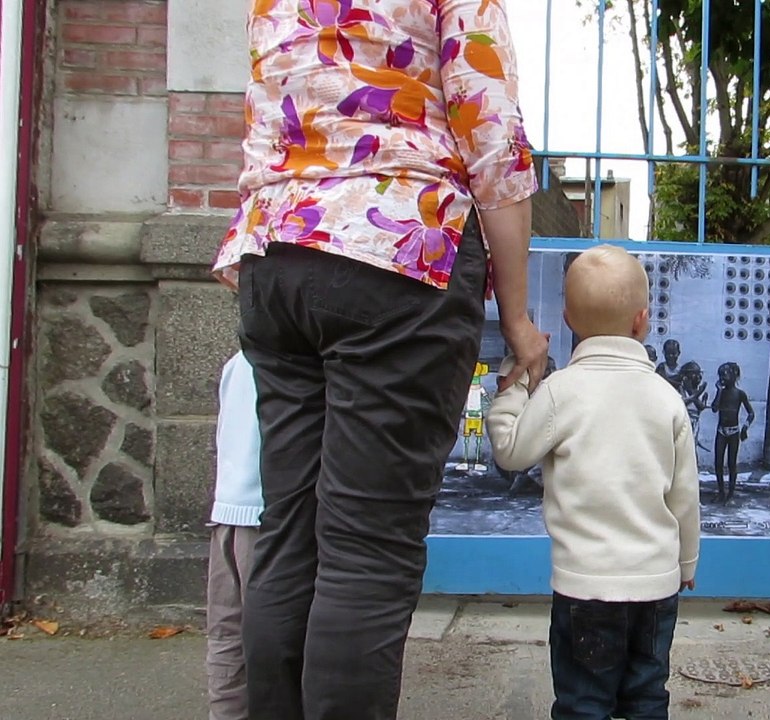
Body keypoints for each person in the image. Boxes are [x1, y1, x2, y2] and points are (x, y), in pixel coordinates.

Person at [210, 2, 548, 718]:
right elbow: (491, 135)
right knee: (366, 550)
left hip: (277, 251)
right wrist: (517, 317)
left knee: (288, 534)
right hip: (397, 247)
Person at [486, 245, 700, 720]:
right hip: (655, 587)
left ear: (568, 320)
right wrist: (686, 561)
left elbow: (511, 451)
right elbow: (684, 493)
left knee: (583, 702)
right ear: (642, 321)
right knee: (647, 697)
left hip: (584, 589)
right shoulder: (666, 398)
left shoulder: (560, 392)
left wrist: (512, 387)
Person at [206, 351, 263, 720]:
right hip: (267, 515)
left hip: (227, 511)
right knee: (269, 638)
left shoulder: (237, 362)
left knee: (225, 633)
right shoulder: (292, 358)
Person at [710, 361, 755, 504]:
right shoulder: (721, 393)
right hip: (721, 431)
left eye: (725, 375)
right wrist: (719, 391)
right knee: (718, 463)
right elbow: (714, 408)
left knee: (731, 463)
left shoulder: (740, 394)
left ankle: (730, 494)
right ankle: (721, 492)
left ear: (734, 375)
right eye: (720, 375)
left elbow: (751, 413)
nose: (722, 378)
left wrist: (745, 427)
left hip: (734, 432)